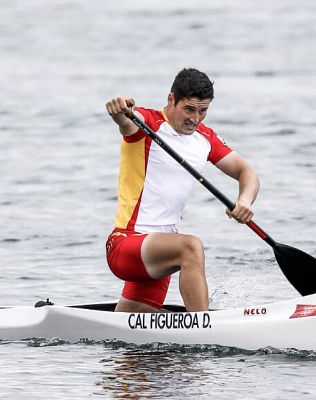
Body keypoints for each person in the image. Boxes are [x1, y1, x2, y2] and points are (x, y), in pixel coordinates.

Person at [105, 68, 259, 313]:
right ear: (171, 100)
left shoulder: (205, 138)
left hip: (161, 252)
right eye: (189, 109)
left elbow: (246, 173)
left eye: (203, 111)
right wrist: (120, 110)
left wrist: (245, 201)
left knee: (135, 329)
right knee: (191, 247)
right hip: (126, 244)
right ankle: (204, 328)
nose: (195, 119)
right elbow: (126, 119)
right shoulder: (147, 123)